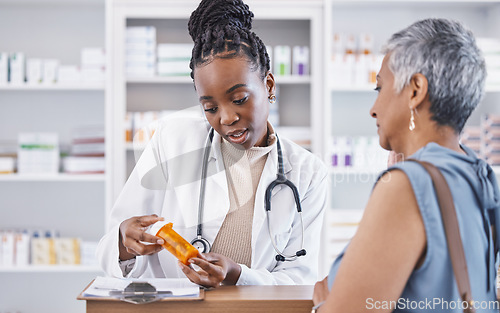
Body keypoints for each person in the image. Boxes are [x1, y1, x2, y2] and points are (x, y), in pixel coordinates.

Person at [97, 0, 327, 288]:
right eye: (210, 108)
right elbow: (112, 247)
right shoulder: (172, 141)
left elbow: (301, 278)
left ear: (268, 85)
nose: (227, 118)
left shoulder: (307, 172)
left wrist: (238, 276)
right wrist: (124, 240)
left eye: (239, 99)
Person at [312, 18, 500, 313]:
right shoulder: (480, 175)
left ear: (415, 90)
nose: (373, 109)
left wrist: (324, 303)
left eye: (380, 87)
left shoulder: (408, 185)